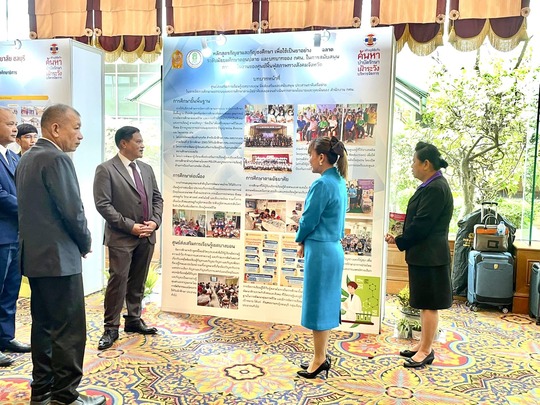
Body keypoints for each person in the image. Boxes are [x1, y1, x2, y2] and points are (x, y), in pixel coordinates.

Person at [16, 104, 105, 404]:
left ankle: (42, 391)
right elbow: (72, 211)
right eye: (76, 127)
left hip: (35, 259)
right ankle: (65, 396)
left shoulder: (27, 158)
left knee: (43, 327)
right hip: (59, 260)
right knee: (69, 331)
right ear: (55, 128)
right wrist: (86, 242)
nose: (80, 135)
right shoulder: (57, 158)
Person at [93, 126, 163, 351]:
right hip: (121, 237)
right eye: (138, 141)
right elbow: (103, 205)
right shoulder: (106, 169)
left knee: (138, 280)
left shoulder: (146, 168)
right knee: (118, 281)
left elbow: (157, 198)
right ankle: (110, 328)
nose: (143, 145)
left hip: (147, 235)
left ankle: (133, 319)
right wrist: (130, 226)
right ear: (124, 143)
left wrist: (155, 222)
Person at [384, 141, 453, 369]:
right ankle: (422, 344)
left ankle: (426, 351)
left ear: (426, 164)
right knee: (424, 303)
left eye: (414, 162)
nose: (411, 166)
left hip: (430, 257)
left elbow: (422, 224)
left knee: (429, 304)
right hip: (424, 255)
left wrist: (400, 240)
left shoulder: (436, 188)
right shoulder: (430, 186)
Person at [295, 136, 348, 379]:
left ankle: (319, 359)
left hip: (320, 252)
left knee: (318, 306)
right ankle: (320, 356)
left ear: (321, 157)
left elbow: (309, 219)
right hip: (332, 249)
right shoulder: (339, 181)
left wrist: (300, 239)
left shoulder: (322, 184)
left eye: (310, 155)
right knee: (325, 304)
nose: (309, 160)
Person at [0, 107, 30, 368]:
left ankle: (5, 338)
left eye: (15, 123)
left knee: (10, 291)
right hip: (1, 235)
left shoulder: (12, 157)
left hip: (16, 235)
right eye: (10, 123)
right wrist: (30, 206)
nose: (15, 128)